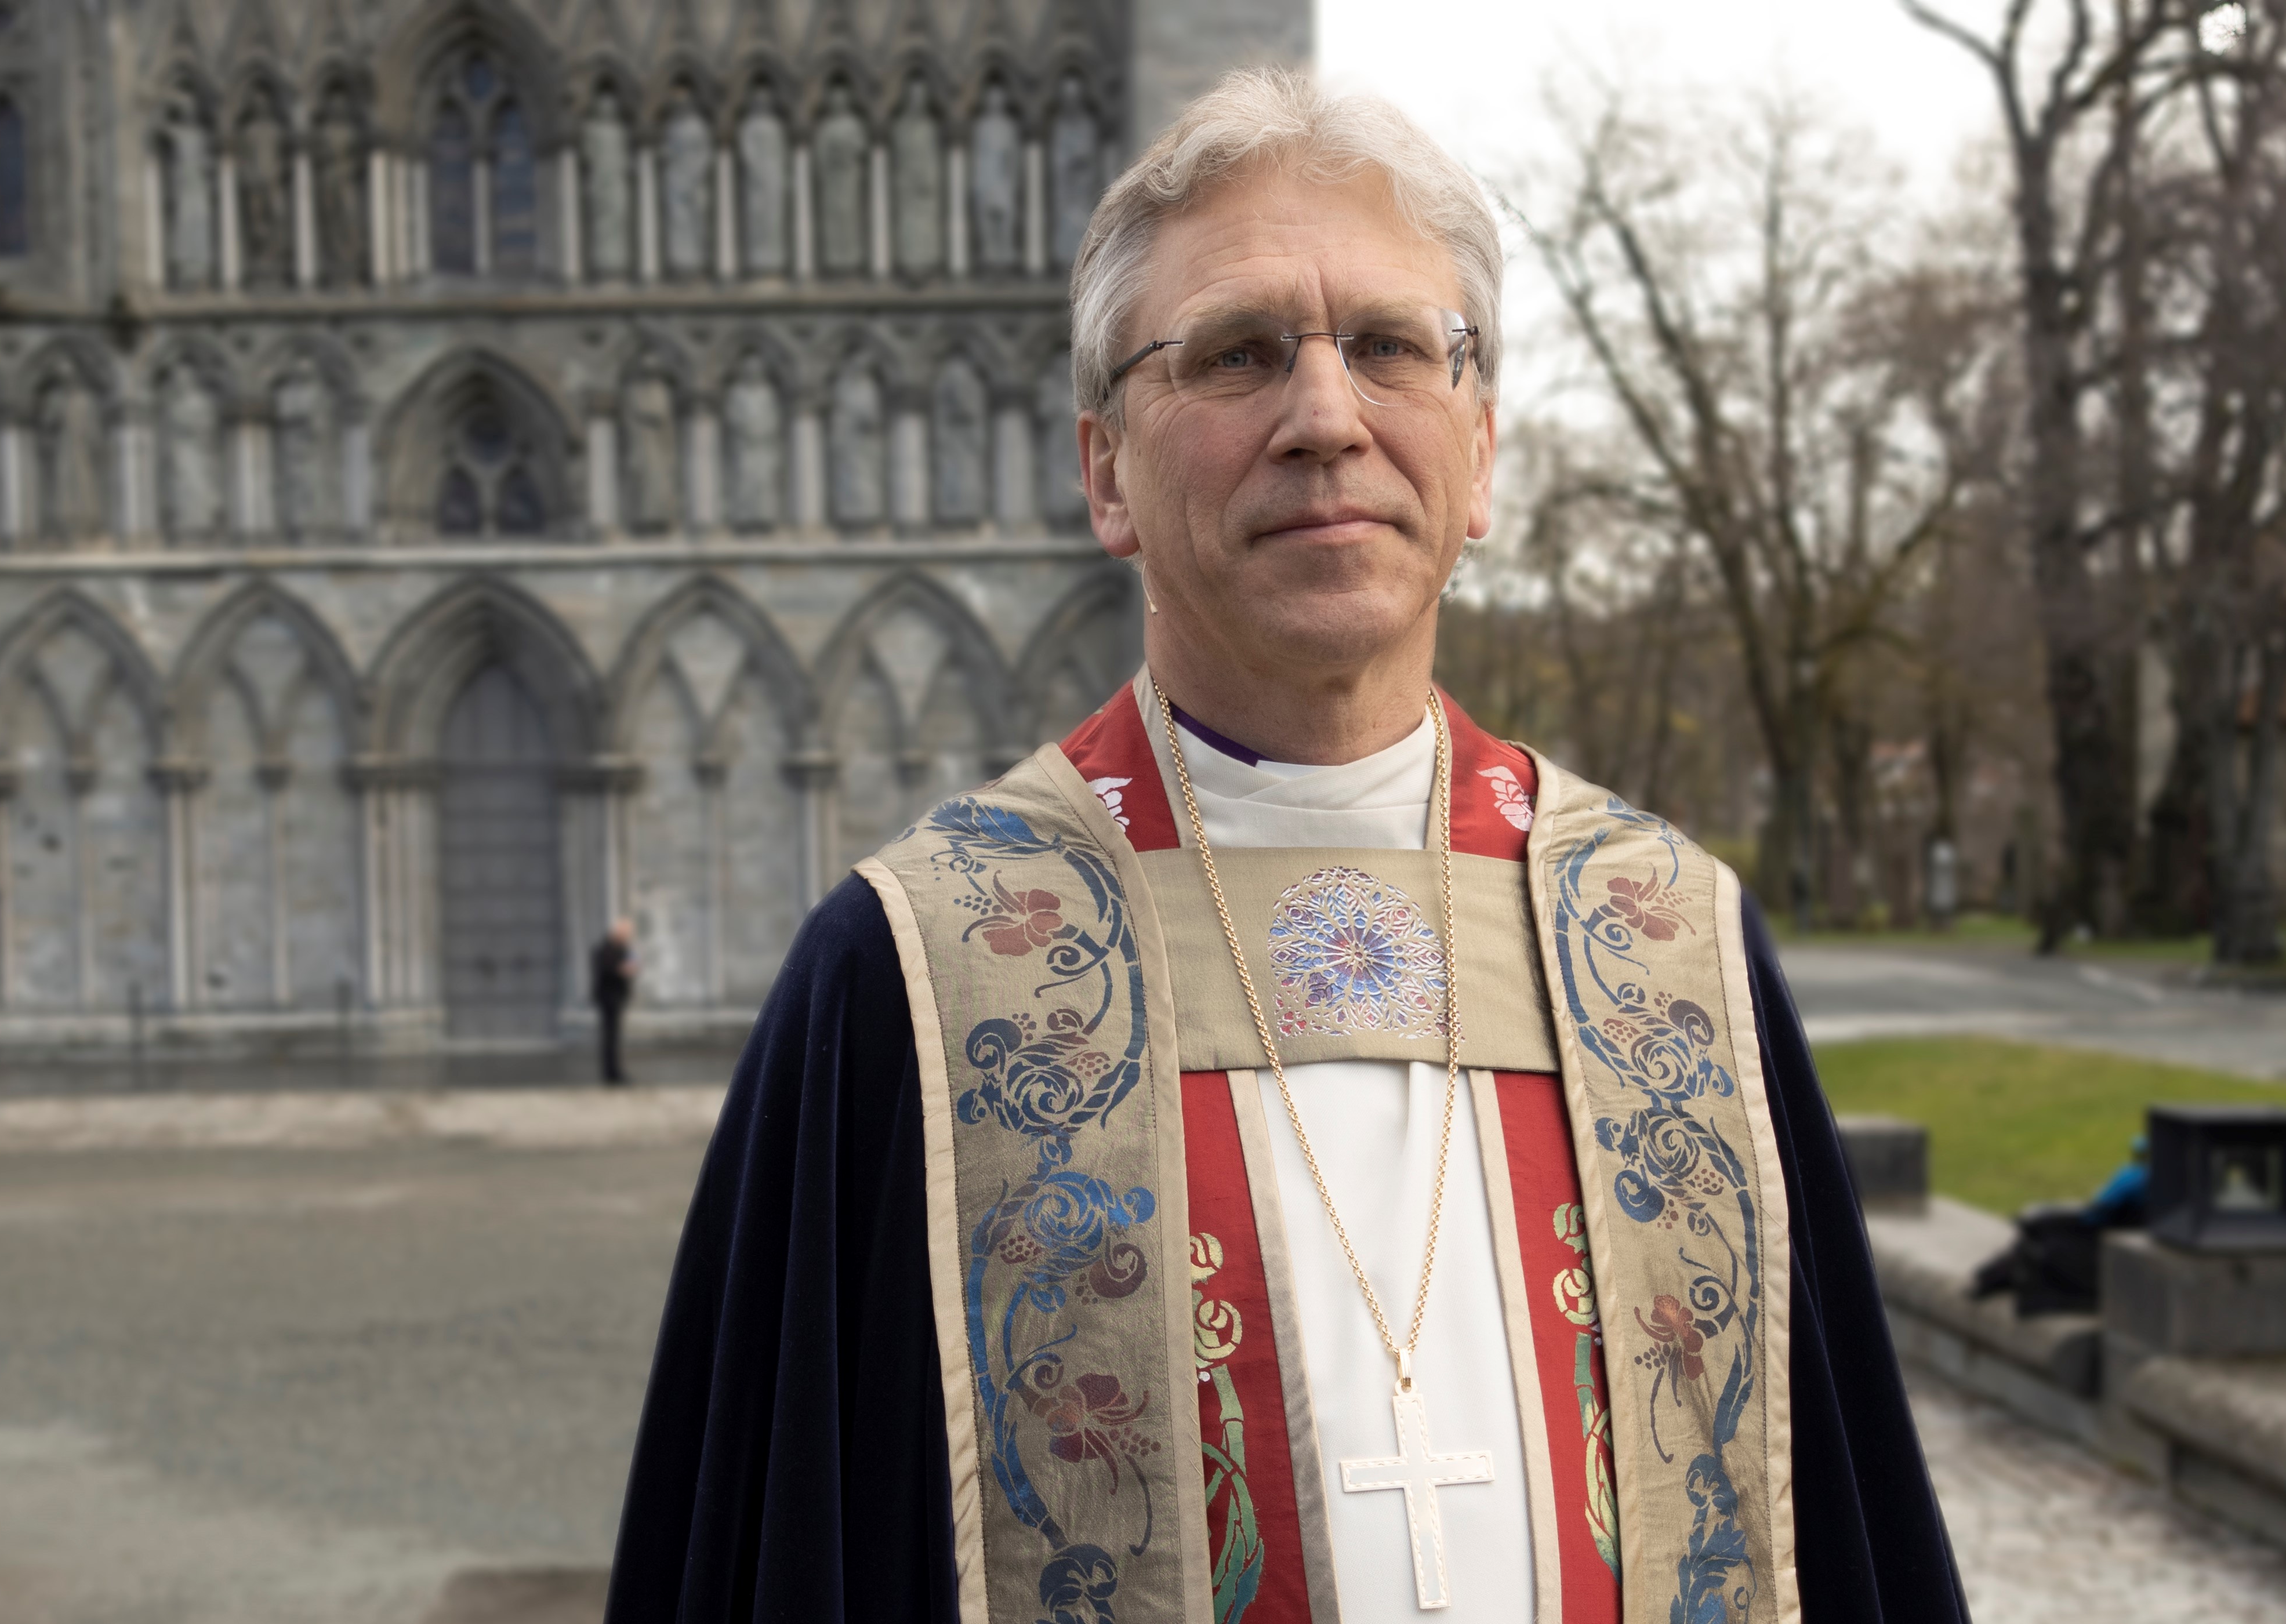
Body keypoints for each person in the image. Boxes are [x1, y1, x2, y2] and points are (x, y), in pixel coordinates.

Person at [607, 67, 1966, 1624]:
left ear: (1481, 451)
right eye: (1238, 354)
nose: (1325, 419)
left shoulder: (1667, 944)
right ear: (1104, 469)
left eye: (1389, 347)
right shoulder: (913, 974)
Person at [592, 917, 637, 1085]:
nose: (627, 936)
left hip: (617, 998)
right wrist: (622, 969)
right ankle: (611, 1074)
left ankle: (615, 1072)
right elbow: (608, 969)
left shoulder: (621, 948)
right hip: (609, 999)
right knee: (610, 1038)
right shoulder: (605, 949)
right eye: (625, 933)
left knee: (614, 1038)